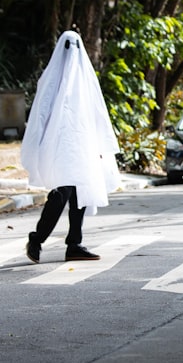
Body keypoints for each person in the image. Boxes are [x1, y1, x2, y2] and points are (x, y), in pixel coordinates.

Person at [20, 29, 121, 263]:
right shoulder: (51, 80)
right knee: (60, 194)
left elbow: (96, 114)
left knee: (81, 195)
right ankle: (36, 240)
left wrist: (100, 147)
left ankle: (74, 244)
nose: (71, 51)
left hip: (82, 148)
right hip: (57, 149)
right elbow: (40, 114)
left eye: (75, 46)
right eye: (67, 46)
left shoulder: (85, 82)